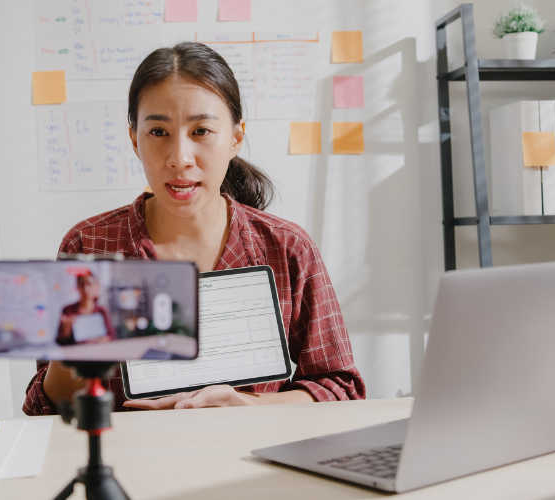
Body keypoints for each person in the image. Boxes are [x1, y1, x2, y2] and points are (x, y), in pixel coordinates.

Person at [24, 41, 365, 415]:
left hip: (253, 450)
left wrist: (245, 404)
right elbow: (45, 409)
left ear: (235, 138)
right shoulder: (89, 245)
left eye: (201, 130)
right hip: (130, 452)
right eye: (158, 132)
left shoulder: (286, 248)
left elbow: (340, 387)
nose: (180, 158)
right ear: (134, 140)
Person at [56, 272, 117, 345]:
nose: (85, 289)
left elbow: (112, 336)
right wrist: (66, 329)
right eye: (82, 285)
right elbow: (60, 342)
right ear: (77, 287)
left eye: (89, 284)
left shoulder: (102, 311)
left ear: (96, 286)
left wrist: (103, 340)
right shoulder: (68, 310)